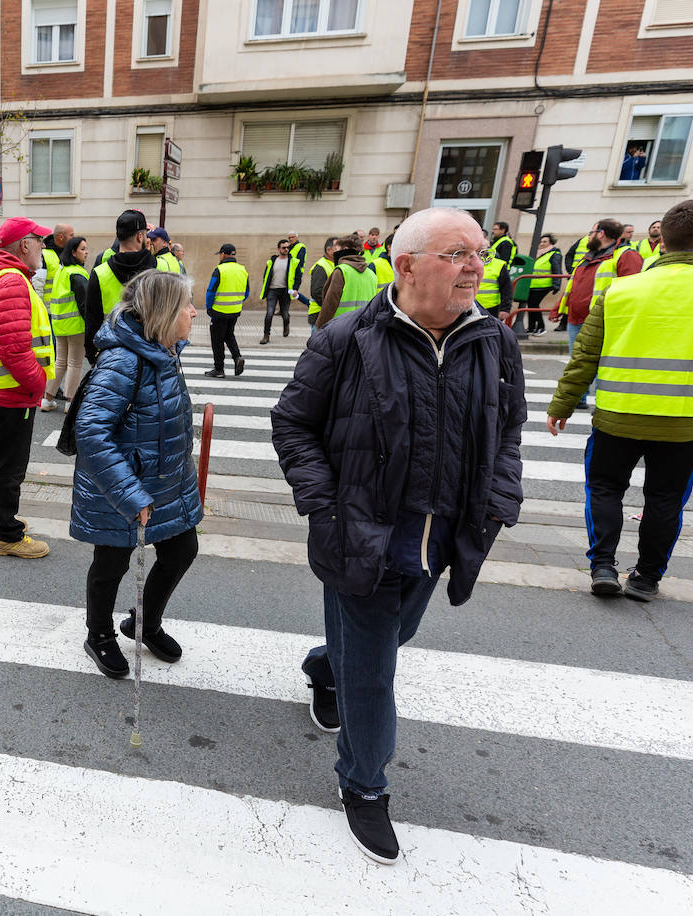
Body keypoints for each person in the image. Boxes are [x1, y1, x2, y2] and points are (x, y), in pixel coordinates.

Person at [272, 206, 526, 866]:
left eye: (480, 253)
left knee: (383, 640)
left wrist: (499, 500)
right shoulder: (344, 341)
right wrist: (325, 509)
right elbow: (293, 425)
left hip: (443, 541)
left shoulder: (496, 344)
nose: (477, 265)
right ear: (406, 264)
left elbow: (508, 433)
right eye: (458, 253)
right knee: (375, 671)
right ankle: (363, 784)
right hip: (362, 537)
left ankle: (323, 668)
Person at [547, 198, 693, 599]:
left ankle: (603, 566)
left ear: (660, 241)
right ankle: (646, 577)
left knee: (605, 488)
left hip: (617, 416)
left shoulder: (622, 289)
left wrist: (562, 404)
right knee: (666, 498)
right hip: (689, 421)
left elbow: (585, 354)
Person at [74, 270, 202, 677]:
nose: (194, 313)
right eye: (186, 305)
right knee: (111, 564)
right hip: (122, 489)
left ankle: (143, 624)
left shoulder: (165, 350)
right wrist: (130, 495)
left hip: (167, 483)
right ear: (165, 312)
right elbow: (91, 432)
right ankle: (99, 635)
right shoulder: (123, 360)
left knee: (182, 551)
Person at [0, 216, 56, 559]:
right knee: (10, 464)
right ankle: (7, 534)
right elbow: (15, 350)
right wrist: (38, 385)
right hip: (13, 391)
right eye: (40, 241)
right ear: (24, 244)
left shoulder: (2, 277)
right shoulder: (12, 282)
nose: (43, 247)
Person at [552, 218, 644, 408]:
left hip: (602, 321)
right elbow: (574, 284)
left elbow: (633, 289)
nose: (589, 236)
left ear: (601, 233)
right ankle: (579, 398)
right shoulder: (589, 256)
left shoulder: (625, 256)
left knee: (604, 365)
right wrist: (560, 306)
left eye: (591, 232)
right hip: (576, 318)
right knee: (578, 361)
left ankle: (605, 402)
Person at [85, 210, 157, 364]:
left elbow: (92, 319)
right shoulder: (158, 269)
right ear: (140, 236)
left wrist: (92, 355)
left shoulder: (100, 273)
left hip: (111, 355)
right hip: (151, 352)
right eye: (145, 235)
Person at [43, 235, 90, 412]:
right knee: (75, 364)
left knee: (60, 362)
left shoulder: (62, 272)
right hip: (76, 325)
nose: (86, 252)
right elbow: (84, 304)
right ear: (73, 252)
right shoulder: (78, 274)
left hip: (59, 324)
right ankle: (71, 402)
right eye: (83, 249)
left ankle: (47, 400)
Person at [203, 243, 248, 378]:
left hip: (219, 310)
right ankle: (237, 357)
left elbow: (211, 291)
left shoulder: (220, 269)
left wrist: (209, 307)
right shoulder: (242, 270)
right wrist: (236, 302)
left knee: (217, 340)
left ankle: (219, 369)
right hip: (235, 310)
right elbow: (247, 292)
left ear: (223, 254)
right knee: (229, 335)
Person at [314, 235, 375, 329]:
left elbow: (330, 304)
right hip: (364, 329)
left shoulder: (341, 271)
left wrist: (320, 328)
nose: (335, 252)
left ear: (345, 249)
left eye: (336, 249)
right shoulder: (371, 274)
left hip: (341, 328)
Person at [258, 237, 298, 344]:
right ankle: (266, 336)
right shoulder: (272, 261)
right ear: (278, 249)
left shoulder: (293, 261)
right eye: (283, 247)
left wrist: (295, 289)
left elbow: (298, 277)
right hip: (272, 290)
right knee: (269, 313)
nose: (286, 249)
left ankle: (286, 325)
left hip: (285, 291)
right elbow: (266, 276)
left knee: (285, 314)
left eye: (288, 247)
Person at [526, 233, 564, 336]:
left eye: (545, 242)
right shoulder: (539, 253)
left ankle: (541, 327)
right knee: (530, 305)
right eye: (541, 241)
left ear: (551, 243)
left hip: (544, 284)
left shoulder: (554, 254)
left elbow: (557, 270)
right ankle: (531, 327)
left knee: (534, 304)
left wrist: (556, 285)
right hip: (533, 284)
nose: (542, 244)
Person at [475, 230, 514, 319]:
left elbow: (506, 289)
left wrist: (505, 309)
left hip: (491, 309)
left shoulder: (499, 265)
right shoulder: (466, 262)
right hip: (468, 308)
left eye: (482, 250)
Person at [307, 236, 337, 329]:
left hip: (326, 314)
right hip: (319, 314)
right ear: (329, 250)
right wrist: (330, 306)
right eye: (338, 248)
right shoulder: (321, 266)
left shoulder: (334, 264)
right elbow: (317, 292)